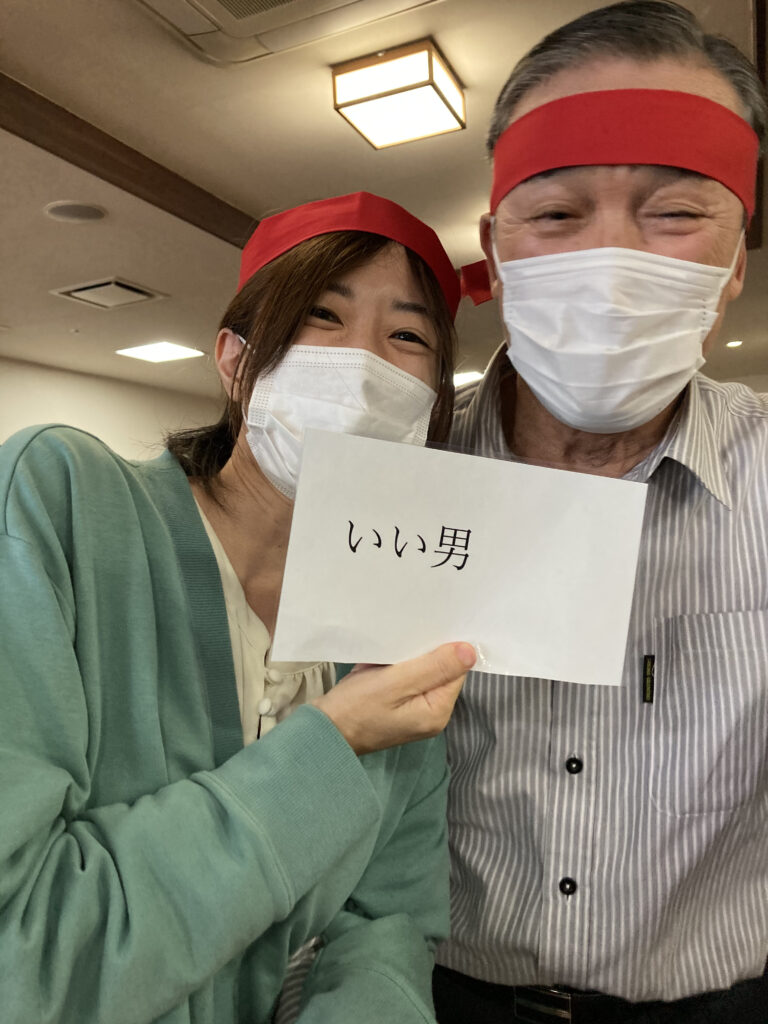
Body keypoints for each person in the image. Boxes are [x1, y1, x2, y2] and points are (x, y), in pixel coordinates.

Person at [0, 190, 477, 1024]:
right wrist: (332, 741)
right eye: (321, 316)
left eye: (408, 337)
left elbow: (386, 924)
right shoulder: (64, 504)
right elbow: (24, 955)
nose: (363, 363)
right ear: (233, 359)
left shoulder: (397, 626)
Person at [432, 3, 768, 1022]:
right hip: (437, 990)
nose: (613, 261)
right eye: (557, 215)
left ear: (736, 263)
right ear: (495, 253)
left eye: (676, 212)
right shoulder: (397, 472)